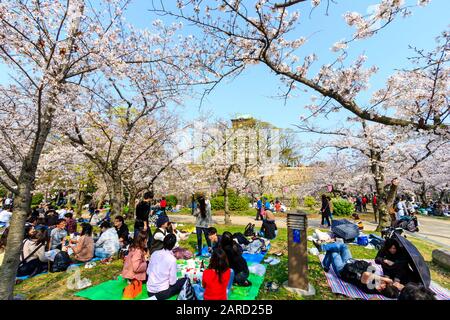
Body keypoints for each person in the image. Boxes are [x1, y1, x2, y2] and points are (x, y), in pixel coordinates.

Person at [313, 240, 401, 298]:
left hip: (343, 270)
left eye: (386, 284)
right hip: (351, 262)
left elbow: (366, 275)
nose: (385, 282)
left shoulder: (370, 288)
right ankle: (322, 248)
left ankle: (326, 264)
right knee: (343, 245)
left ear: (383, 288)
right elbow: (370, 270)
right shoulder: (380, 284)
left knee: (334, 252)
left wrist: (382, 278)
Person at [146, 233, 188, 300]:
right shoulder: (172, 259)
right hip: (162, 293)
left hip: (150, 291)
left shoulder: (154, 253)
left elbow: (148, 272)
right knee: (184, 280)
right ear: (174, 245)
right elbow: (172, 282)